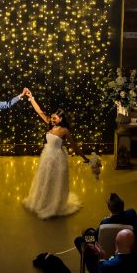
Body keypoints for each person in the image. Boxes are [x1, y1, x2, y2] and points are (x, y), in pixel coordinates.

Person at [22, 91, 88, 219]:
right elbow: (39, 111)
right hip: (47, 156)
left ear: (61, 119)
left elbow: (74, 147)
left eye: (55, 118)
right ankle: (43, 202)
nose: (52, 120)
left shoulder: (64, 131)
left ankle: (53, 205)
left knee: (55, 181)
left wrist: (85, 158)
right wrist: (31, 98)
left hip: (58, 158)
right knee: (45, 179)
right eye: (52, 117)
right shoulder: (49, 124)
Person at [74, 194, 137, 273]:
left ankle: (92, 269)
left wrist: (85, 237)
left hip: (106, 257)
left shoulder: (105, 223)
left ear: (109, 208)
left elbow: (94, 239)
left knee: (80, 240)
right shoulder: (132, 214)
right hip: (129, 255)